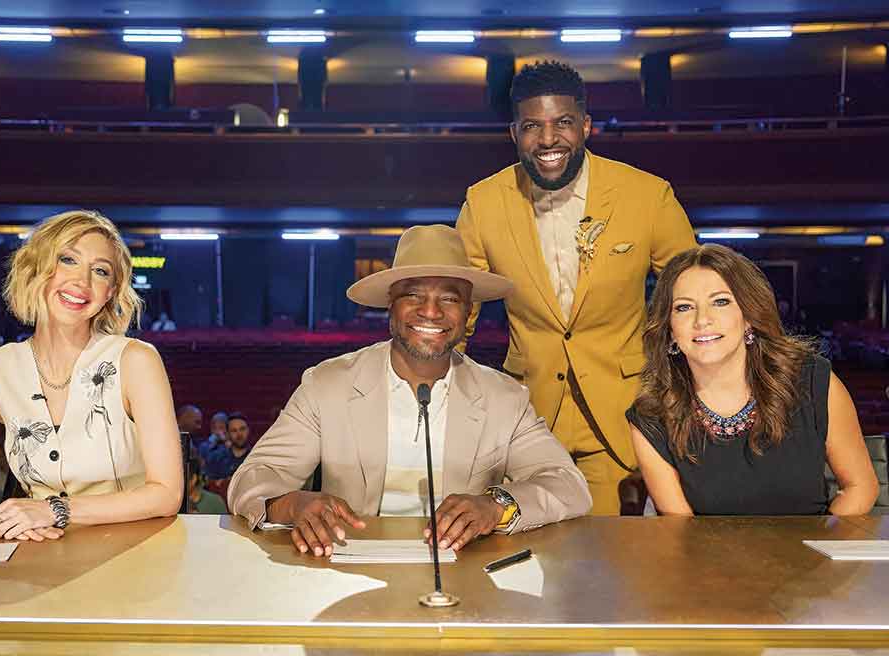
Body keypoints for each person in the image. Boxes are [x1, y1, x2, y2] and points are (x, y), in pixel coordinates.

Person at [229, 224, 592, 557]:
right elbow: (252, 478)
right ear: (392, 306)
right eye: (413, 295)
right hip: (347, 565)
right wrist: (292, 505)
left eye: (449, 298)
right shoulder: (327, 385)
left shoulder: (504, 398)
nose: (430, 311)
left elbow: (568, 485)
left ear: (468, 313)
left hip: (464, 572)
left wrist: (496, 505)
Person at [456, 61, 696, 515]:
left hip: (621, 419)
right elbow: (457, 311)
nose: (548, 140)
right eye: (532, 127)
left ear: (585, 126)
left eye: (563, 123)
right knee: (529, 566)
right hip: (526, 419)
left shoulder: (646, 195)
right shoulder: (483, 202)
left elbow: (694, 296)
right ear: (514, 133)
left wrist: (683, 396)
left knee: (606, 569)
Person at [0, 209, 183, 540]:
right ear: (36, 270)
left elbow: (167, 494)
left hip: (136, 554)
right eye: (67, 260)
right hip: (39, 551)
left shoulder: (136, 361)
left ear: (110, 293)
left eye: (100, 271)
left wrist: (55, 510)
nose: (82, 281)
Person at [626, 244, 878, 516]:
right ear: (670, 329)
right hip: (705, 558)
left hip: (807, 556)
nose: (702, 320)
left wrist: (819, 553)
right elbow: (681, 530)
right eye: (684, 308)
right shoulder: (651, 415)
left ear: (748, 317)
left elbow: (860, 487)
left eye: (720, 302)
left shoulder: (812, 382)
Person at [199, 411, 231, 479]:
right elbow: (202, 466)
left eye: (221, 428)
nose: (217, 432)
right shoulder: (204, 446)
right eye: (214, 428)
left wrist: (226, 443)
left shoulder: (231, 446)